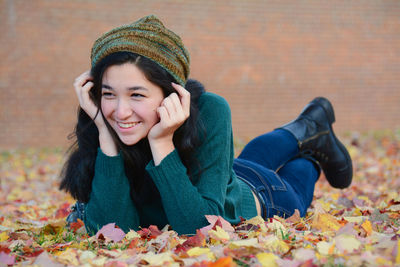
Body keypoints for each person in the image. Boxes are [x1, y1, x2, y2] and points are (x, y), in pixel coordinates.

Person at [60, 15, 352, 235]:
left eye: (137, 94)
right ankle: (310, 126)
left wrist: (161, 142)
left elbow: (198, 228)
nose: (121, 112)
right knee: (245, 161)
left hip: (264, 196)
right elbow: (114, 231)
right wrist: (103, 133)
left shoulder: (209, 110)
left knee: (298, 172)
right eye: (109, 94)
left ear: (170, 94)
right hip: (219, 179)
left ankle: (313, 148)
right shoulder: (104, 121)